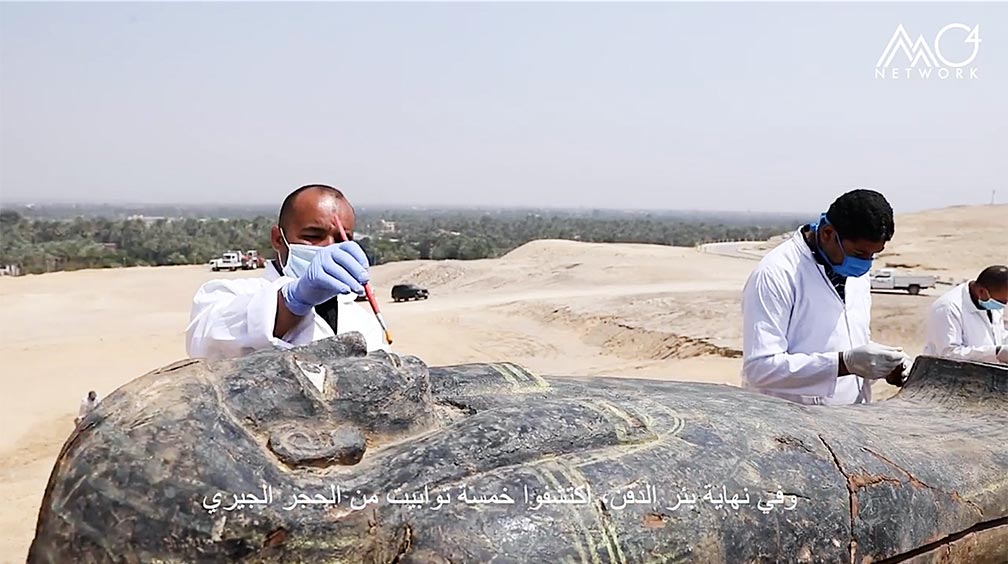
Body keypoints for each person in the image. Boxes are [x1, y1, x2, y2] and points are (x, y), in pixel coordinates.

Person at [741, 189, 910, 405]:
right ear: (828, 233)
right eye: (859, 255)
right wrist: (843, 364)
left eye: (873, 255)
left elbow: (849, 339)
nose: (866, 264)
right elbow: (760, 369)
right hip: (790, 422)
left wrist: (883, 365)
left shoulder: (856, 272)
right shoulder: (776, 273)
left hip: (850, 420)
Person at [186, 184, 389, 360]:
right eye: (312, 236)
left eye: (340, 239)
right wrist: (293, 300)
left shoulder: (361, 320)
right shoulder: (226, 295)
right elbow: (206, 341)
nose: (328, 248)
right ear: (277, 239)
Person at [923, 265, 1008, 364]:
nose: (1004, 305)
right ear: (981, 291)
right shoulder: (948, 308)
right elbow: (948, 355)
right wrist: (995, 353)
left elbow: (998, 335)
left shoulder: (990, 302)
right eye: (1003, 301)